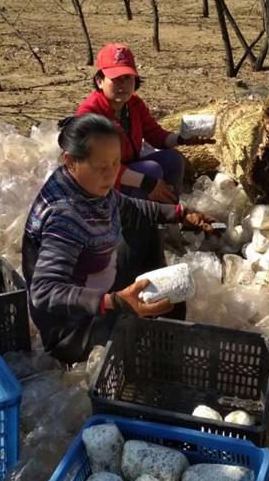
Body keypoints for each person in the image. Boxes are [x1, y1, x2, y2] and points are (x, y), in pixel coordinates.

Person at [22, 114, 215, 364]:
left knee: (148, 237)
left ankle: (156, 329)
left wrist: (182, 214)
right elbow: (44, 291)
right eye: (101, 166)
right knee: (167, 304)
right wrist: (114, 301)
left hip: (97, 287)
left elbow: (128, 207)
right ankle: (159, 355)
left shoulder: (85, 186)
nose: (111, 174)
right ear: (70, 161)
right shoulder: (64, 216)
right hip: (73, 329)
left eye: (116, 163)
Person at [76, 43, 213, 204]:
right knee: (150, 171)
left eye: (127, 78)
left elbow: (155, 135)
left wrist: (183, 139)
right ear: (99, 81)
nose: (123, 84)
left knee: (173, 159)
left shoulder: (133, 104)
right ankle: (135, 225)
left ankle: (169, 216)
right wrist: (146, 182)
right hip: (100, 180)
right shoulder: (90, 113)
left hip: (127, 169)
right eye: (115, 79)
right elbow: (100, 165)